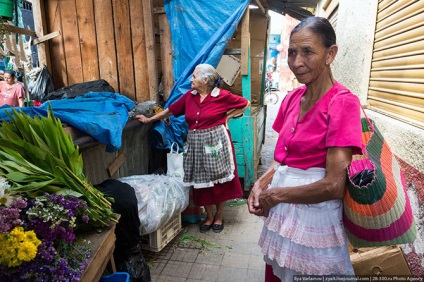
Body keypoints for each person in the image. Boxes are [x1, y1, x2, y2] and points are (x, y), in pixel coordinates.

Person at [247, 17, 363, 281]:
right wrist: (261, 184)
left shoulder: (342, 103)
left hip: (314, 218)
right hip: (284, 213)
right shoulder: (292, 99)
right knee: (276, 272)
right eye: (292, 52)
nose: (297, 62)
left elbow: (334, 185)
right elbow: (282, 160)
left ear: (330, 54)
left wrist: (275, 196)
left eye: (308, 52)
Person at [137, 63, 250, 233]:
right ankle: (209, 216)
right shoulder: (190, 96)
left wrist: (227, 117)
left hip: (216, 143)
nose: (191, 79)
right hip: (196, 143)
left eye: (194, 76)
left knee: (220, 181)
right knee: (201, 182)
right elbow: (170, 110)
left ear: (205, 80)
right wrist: (149, 120)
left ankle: (219, 216)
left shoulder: (222, 96)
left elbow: (245, 103)